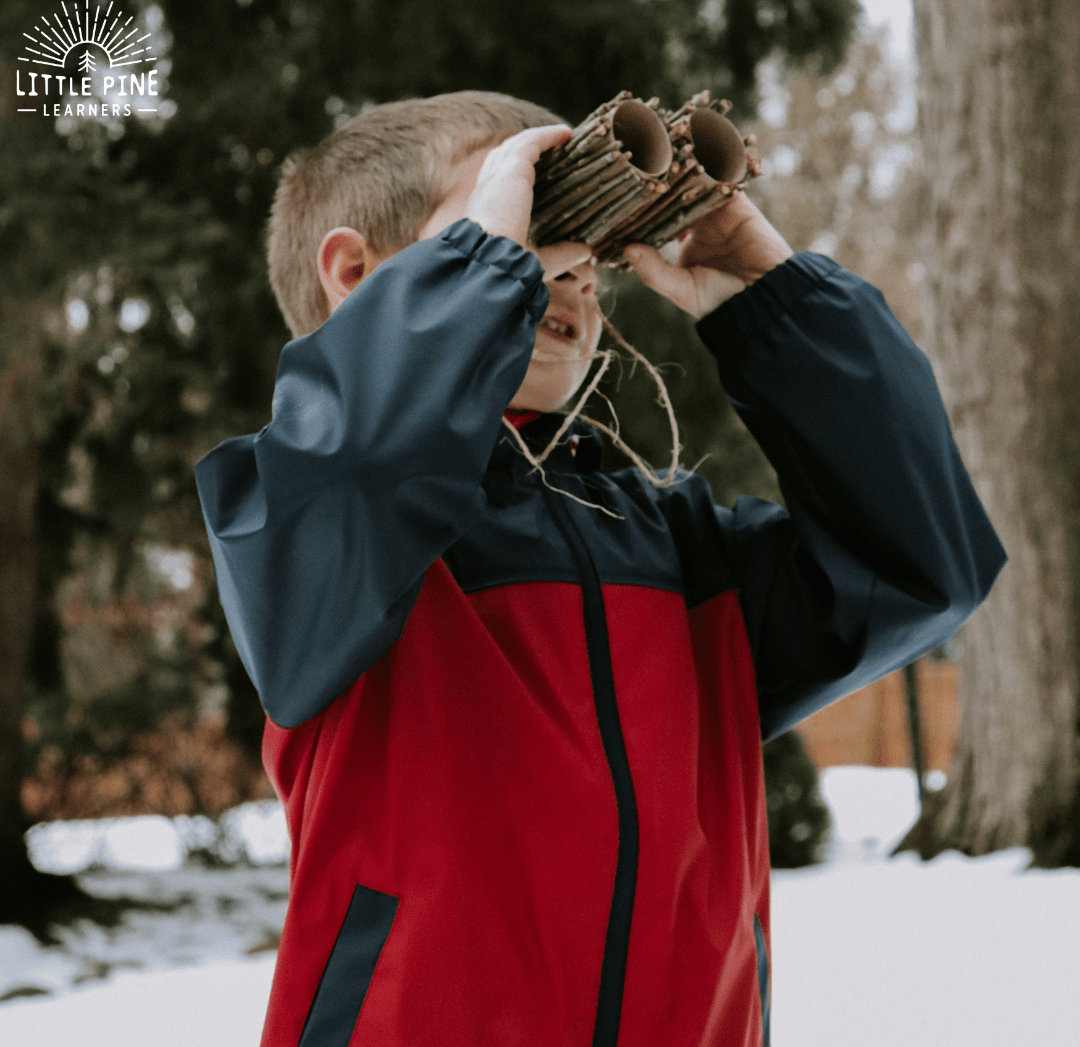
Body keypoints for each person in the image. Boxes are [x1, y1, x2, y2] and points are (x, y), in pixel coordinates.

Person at [195, 91, 1005, 1047]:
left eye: (586, 259)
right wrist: (484, 280)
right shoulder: (320, 518)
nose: (570, 278)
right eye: (525, 224)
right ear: (357, 274)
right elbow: (359, 470)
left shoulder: (681, 552)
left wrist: (773, 301)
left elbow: (919, 566)